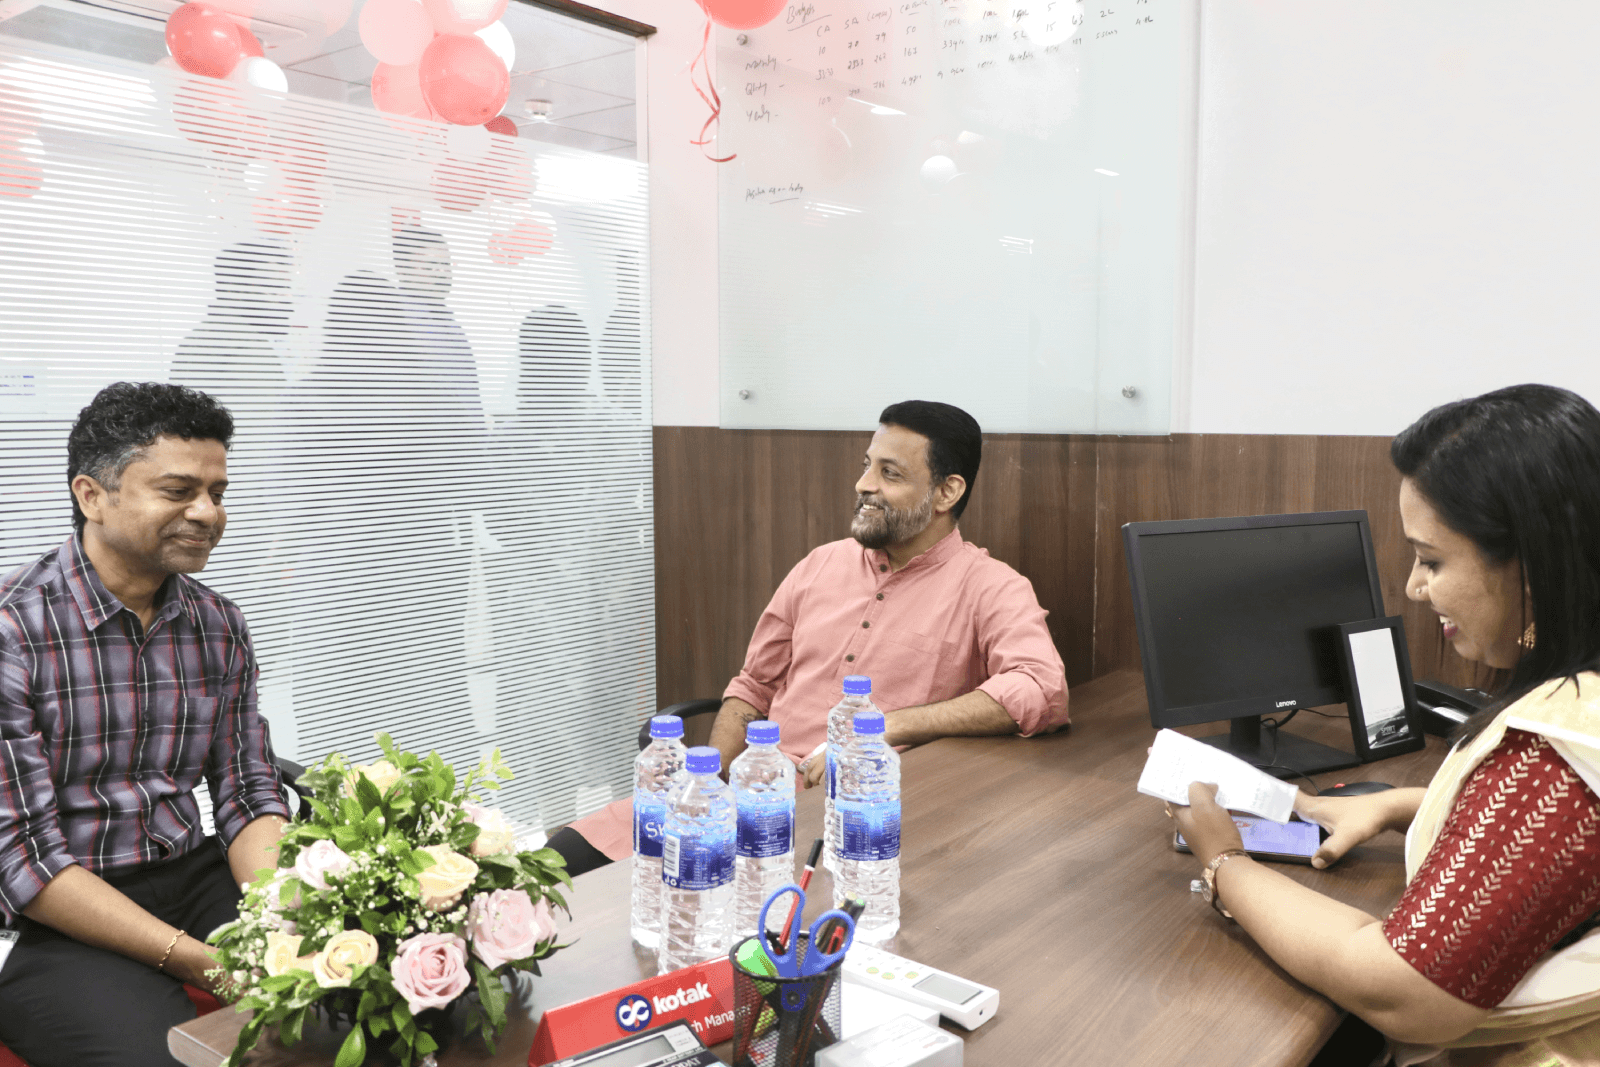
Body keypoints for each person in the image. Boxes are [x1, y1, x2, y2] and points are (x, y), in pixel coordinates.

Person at [1168, 383, 1600, 1067]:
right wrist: (1405, 804)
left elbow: (1405, 990)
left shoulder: (1557, 753)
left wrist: (1225, 863)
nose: (1413, 588)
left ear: (1531, 564)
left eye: (1431, 559)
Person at [556, 399, 1069, 864]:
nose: (864, 484)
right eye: (866, 465)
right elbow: (753, 687)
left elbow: (1040, 689)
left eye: (889, 473)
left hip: (845, 818)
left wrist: (887, 727)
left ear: (946, 492)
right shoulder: (821, 564)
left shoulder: (992, 587)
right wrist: (710, 777)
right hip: (749, 784)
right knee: (557, 861)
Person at [0, 382, 292, 1067]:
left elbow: (247, 789)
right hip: (54, 913)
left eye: (217, 492)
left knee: (349, 1012)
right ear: (91, 495)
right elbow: (24, 858)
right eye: (178, 489)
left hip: (190, 872)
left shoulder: (218, 622)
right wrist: (197, 960)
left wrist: (280, 913)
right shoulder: (14, 631)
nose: (207, 512)